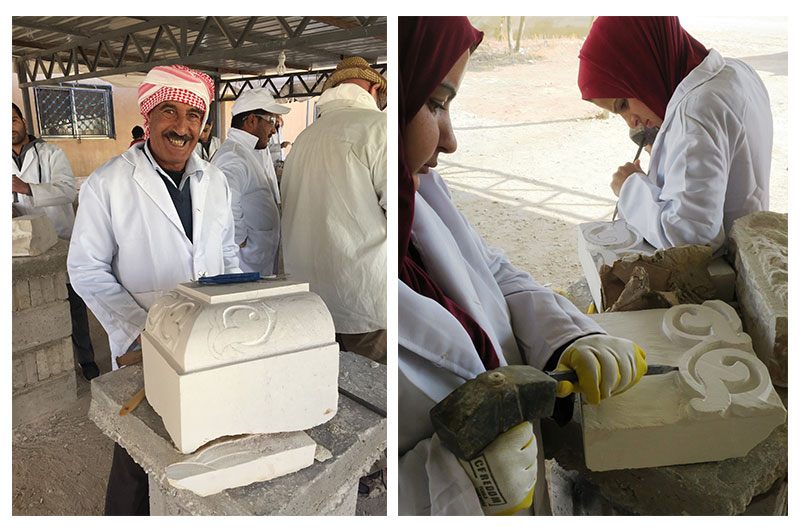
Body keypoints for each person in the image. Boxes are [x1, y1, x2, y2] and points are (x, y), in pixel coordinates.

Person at [398, 17, 647, 516]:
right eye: (436, 103)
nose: (450, 142)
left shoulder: (420, 195)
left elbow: (492, 272)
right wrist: (456, 478)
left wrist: (568, 337)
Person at [67, 64, 240, 515]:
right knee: (138, 445)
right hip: (142, 344)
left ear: (203, 127)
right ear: (149, 116)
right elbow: (85, 267)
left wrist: (235, 312)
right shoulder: (109, 183)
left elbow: (228, 256)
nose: (182, 127)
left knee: (200, 437)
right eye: (170, 111)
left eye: (194, 117)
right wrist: (133, 333)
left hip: (208, 339)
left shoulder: (216, 181)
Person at [578, 16, 773, 252]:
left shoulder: (694, 113)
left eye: (622, 104)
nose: (632, 122)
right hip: (754, 247)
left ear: (641, 68)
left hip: (723, 274)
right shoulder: (737, 71)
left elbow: (687, 239)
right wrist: (670, 150)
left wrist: (630, 187)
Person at [281, 56, 387, 362]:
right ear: (372, 86)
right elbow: (404, 213)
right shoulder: (379, 128)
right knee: (373, 396)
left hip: (310, 304)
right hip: (364, 305)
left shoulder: (304, 138)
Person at [12, 103, 99, 381]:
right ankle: (54, 370)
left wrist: (24, 187)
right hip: (23, 246)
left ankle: (86, 360)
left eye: (12, 119)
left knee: (74, 305)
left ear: (23, 121)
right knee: (37, 305)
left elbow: (64, 190)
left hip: (60, 239)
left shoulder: (50, 153)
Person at [211, 88, 288, 276]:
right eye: (271, 121)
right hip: (245, 261)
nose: (273, 129)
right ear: (252, 120)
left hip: (257, 258)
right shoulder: (234, 156)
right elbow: (224, 202)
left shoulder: (252, 150)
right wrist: (239, 239)